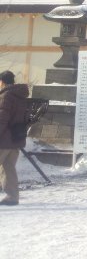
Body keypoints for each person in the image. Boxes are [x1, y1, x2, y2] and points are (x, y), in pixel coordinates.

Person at [0, 70, 29, 206]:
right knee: (8, 168)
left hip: (4, 140)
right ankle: (12, 197)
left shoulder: (6, 96)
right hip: (16, 139)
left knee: (7, 168)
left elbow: (2, 119)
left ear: (2, 82)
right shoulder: (21, 96)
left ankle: (11, 197)